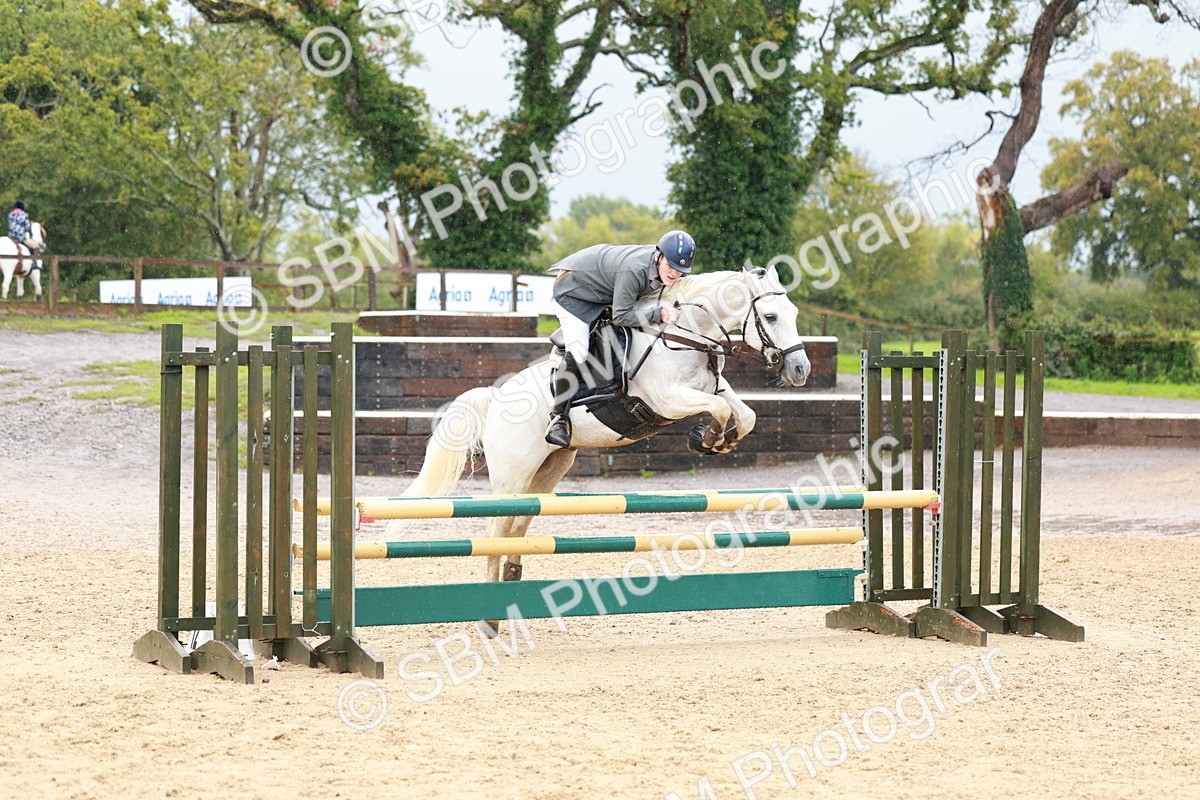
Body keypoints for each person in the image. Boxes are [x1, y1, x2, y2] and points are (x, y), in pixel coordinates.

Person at [544, 229, 697, 448]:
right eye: (671, 266)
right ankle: (558, 418)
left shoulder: (662, 267)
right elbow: (621, 315)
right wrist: (658, 314)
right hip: (573, 292)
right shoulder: (634, 271)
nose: (674, 274)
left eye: (680, 270)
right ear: (659, 256)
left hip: (598, 286)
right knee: (578, 351)